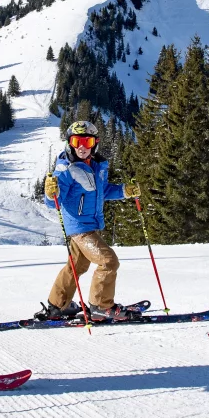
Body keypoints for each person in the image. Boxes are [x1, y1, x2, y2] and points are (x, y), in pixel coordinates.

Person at [43, 120, 141, 322]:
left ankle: (57, 305)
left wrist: (124, 190)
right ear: (69, 143)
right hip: (80, 228)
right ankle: (101, 306)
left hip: (90, 225)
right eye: (76, 141)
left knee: (76, 267)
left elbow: (102, 191)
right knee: (108, 261)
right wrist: (50, 192)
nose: (81, 147)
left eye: (86, 142)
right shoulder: (66, 169)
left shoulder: (96, 167)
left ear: (94, 143)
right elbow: (55, 202)